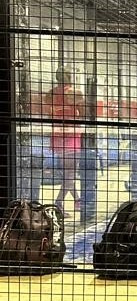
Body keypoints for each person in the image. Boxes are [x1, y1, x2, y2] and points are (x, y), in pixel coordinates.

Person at [43, 68, 85, 217]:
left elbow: (49, 114)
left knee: (68, 173)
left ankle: (78, 200)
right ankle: (58, 204)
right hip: (71, 137)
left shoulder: (50, 94)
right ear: (70, 77)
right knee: (70, 174)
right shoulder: (74, 93)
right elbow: (82, 113)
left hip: (57, 137)